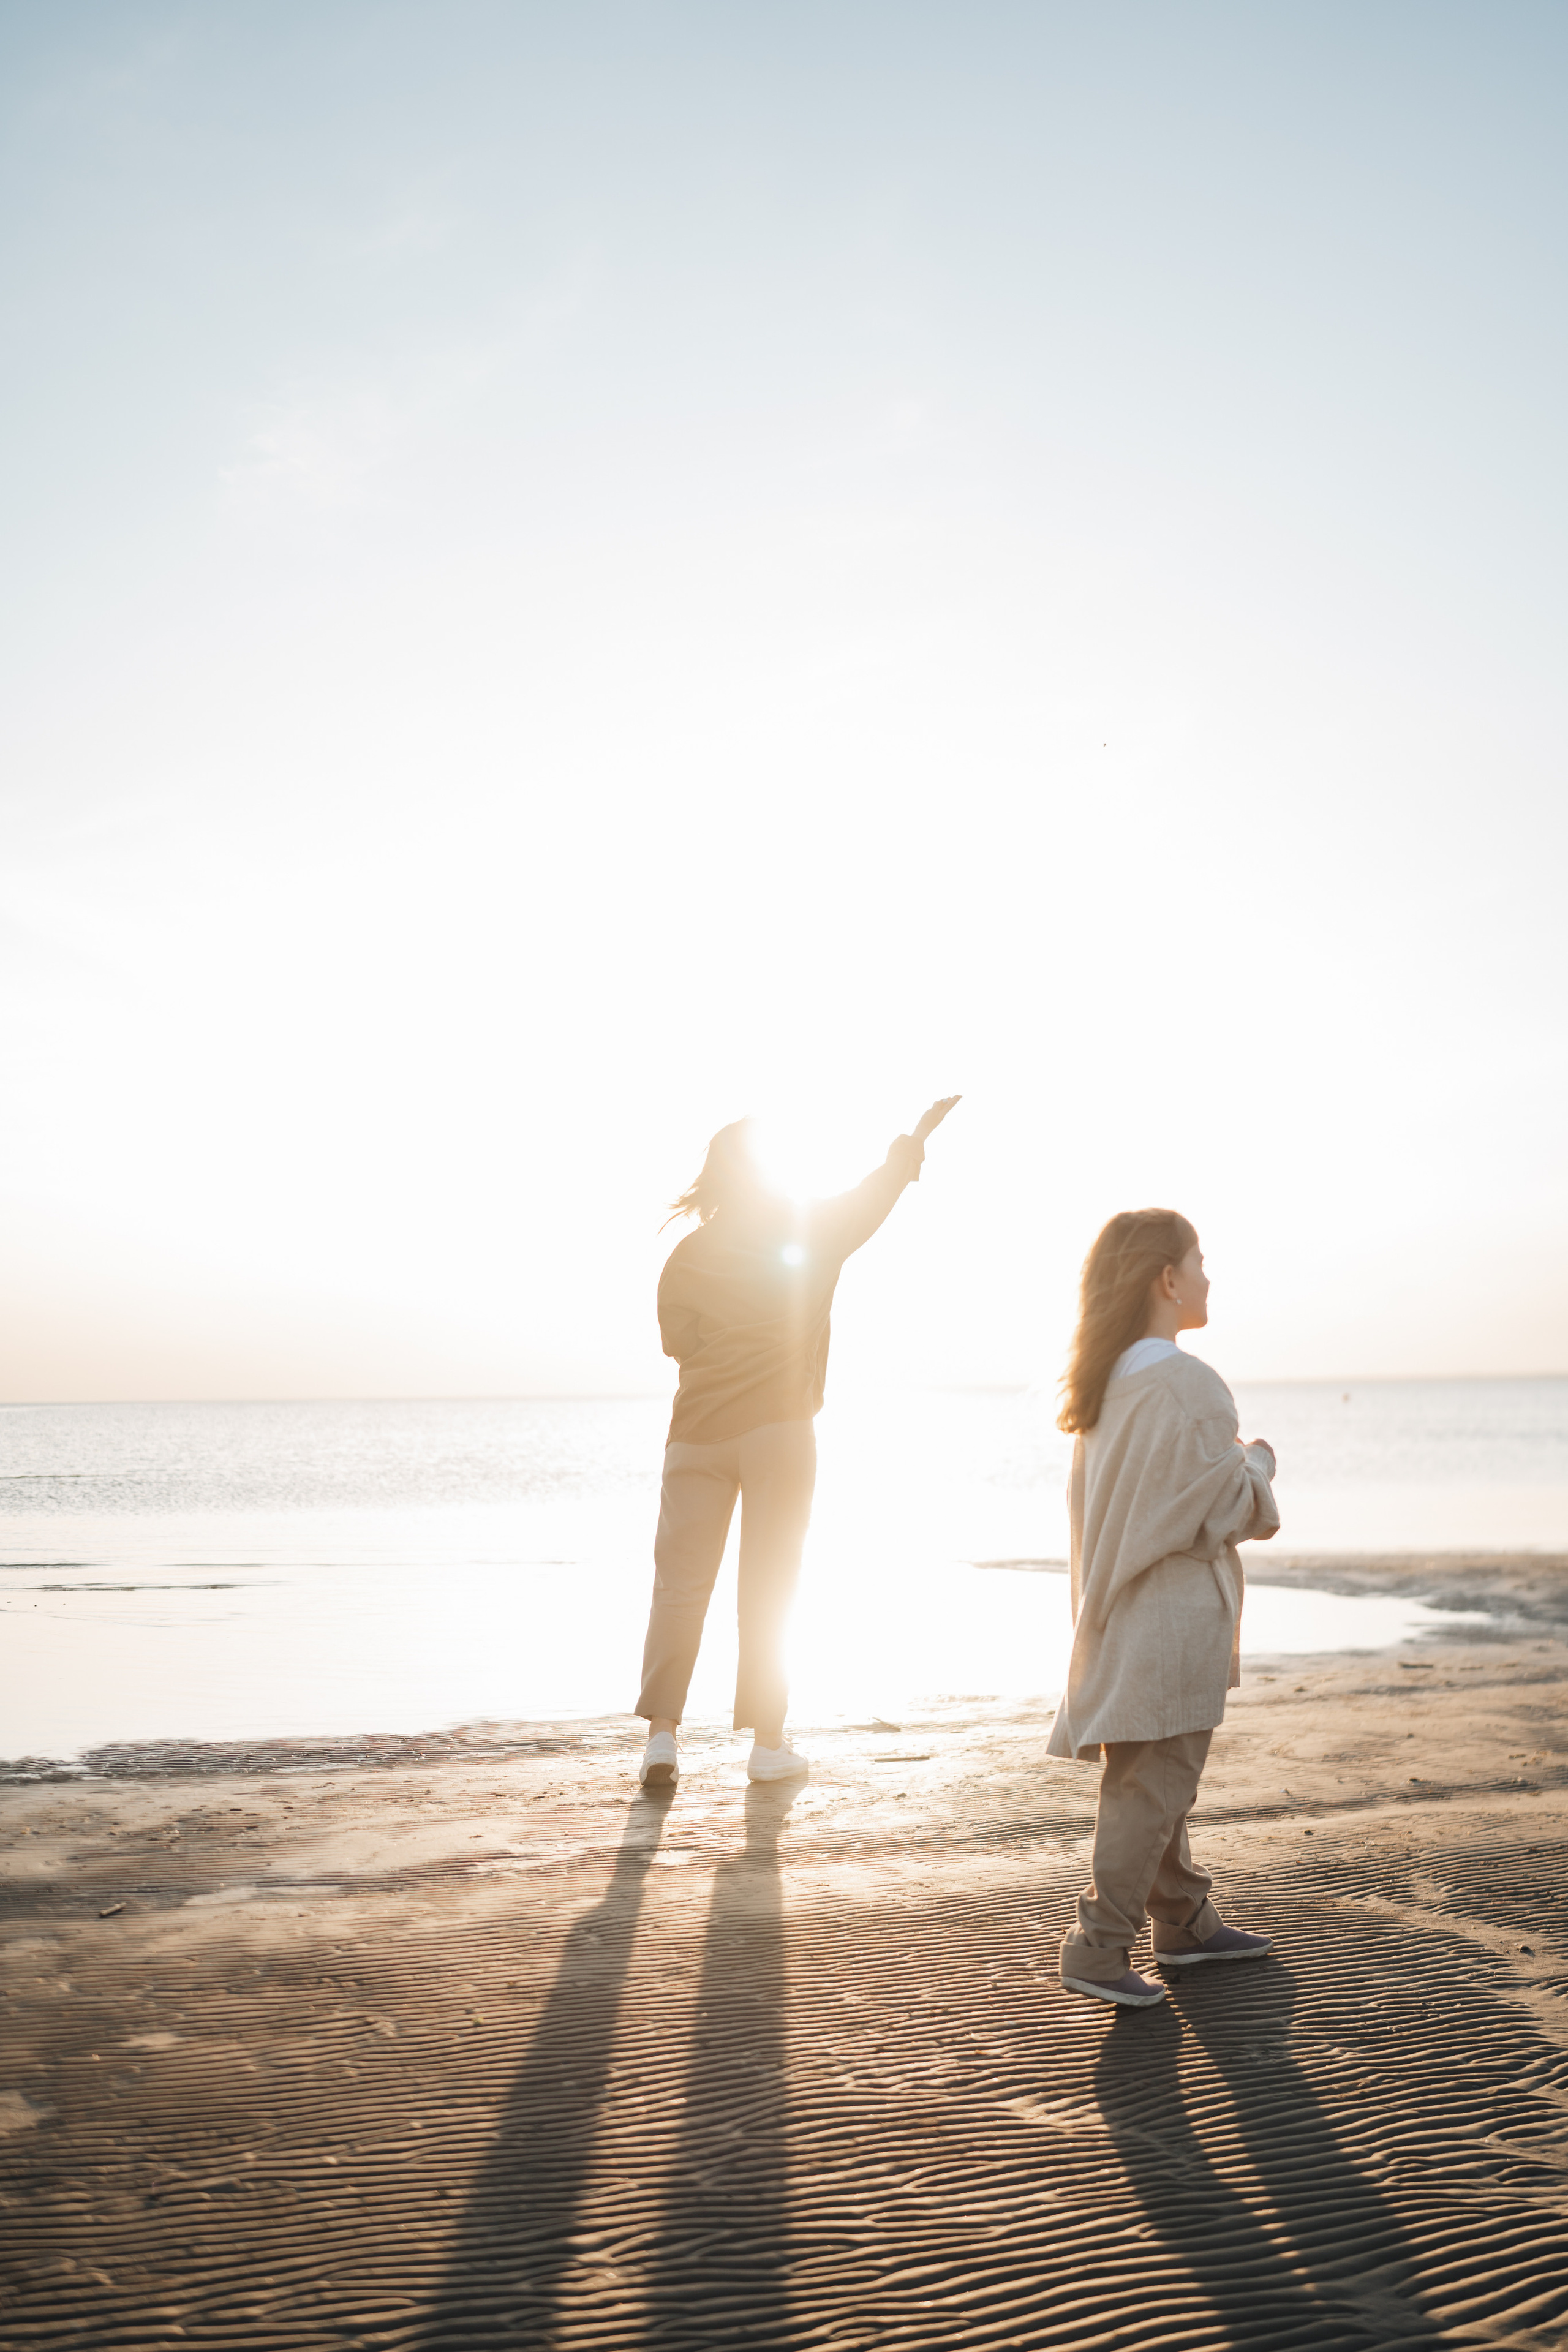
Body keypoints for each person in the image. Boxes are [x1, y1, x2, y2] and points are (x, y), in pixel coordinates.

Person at [636, 1098, 961, 1790]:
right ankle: (768, 1745)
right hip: (779, 1430)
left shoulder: (687, 1256)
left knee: (679, 1587)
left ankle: (662, 1741)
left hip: (694, 1433)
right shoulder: (812, 1229)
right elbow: (876, 1194)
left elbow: (678, 1344)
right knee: (769, 1585)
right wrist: (912, 1143)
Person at [1049, 1208, 1280, 2007]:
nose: (1209, 1277)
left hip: (1119, 1616)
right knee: (1153, 1786)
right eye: (1200, 1261)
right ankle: (1098, 1946)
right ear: (1167, 1279)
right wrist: (1260, 1461)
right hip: (1175, 1619)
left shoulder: (1105, 1382)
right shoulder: (1187, 1383)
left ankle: (1184, 1920)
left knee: (1152, 1780)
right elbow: (1239, 1510)